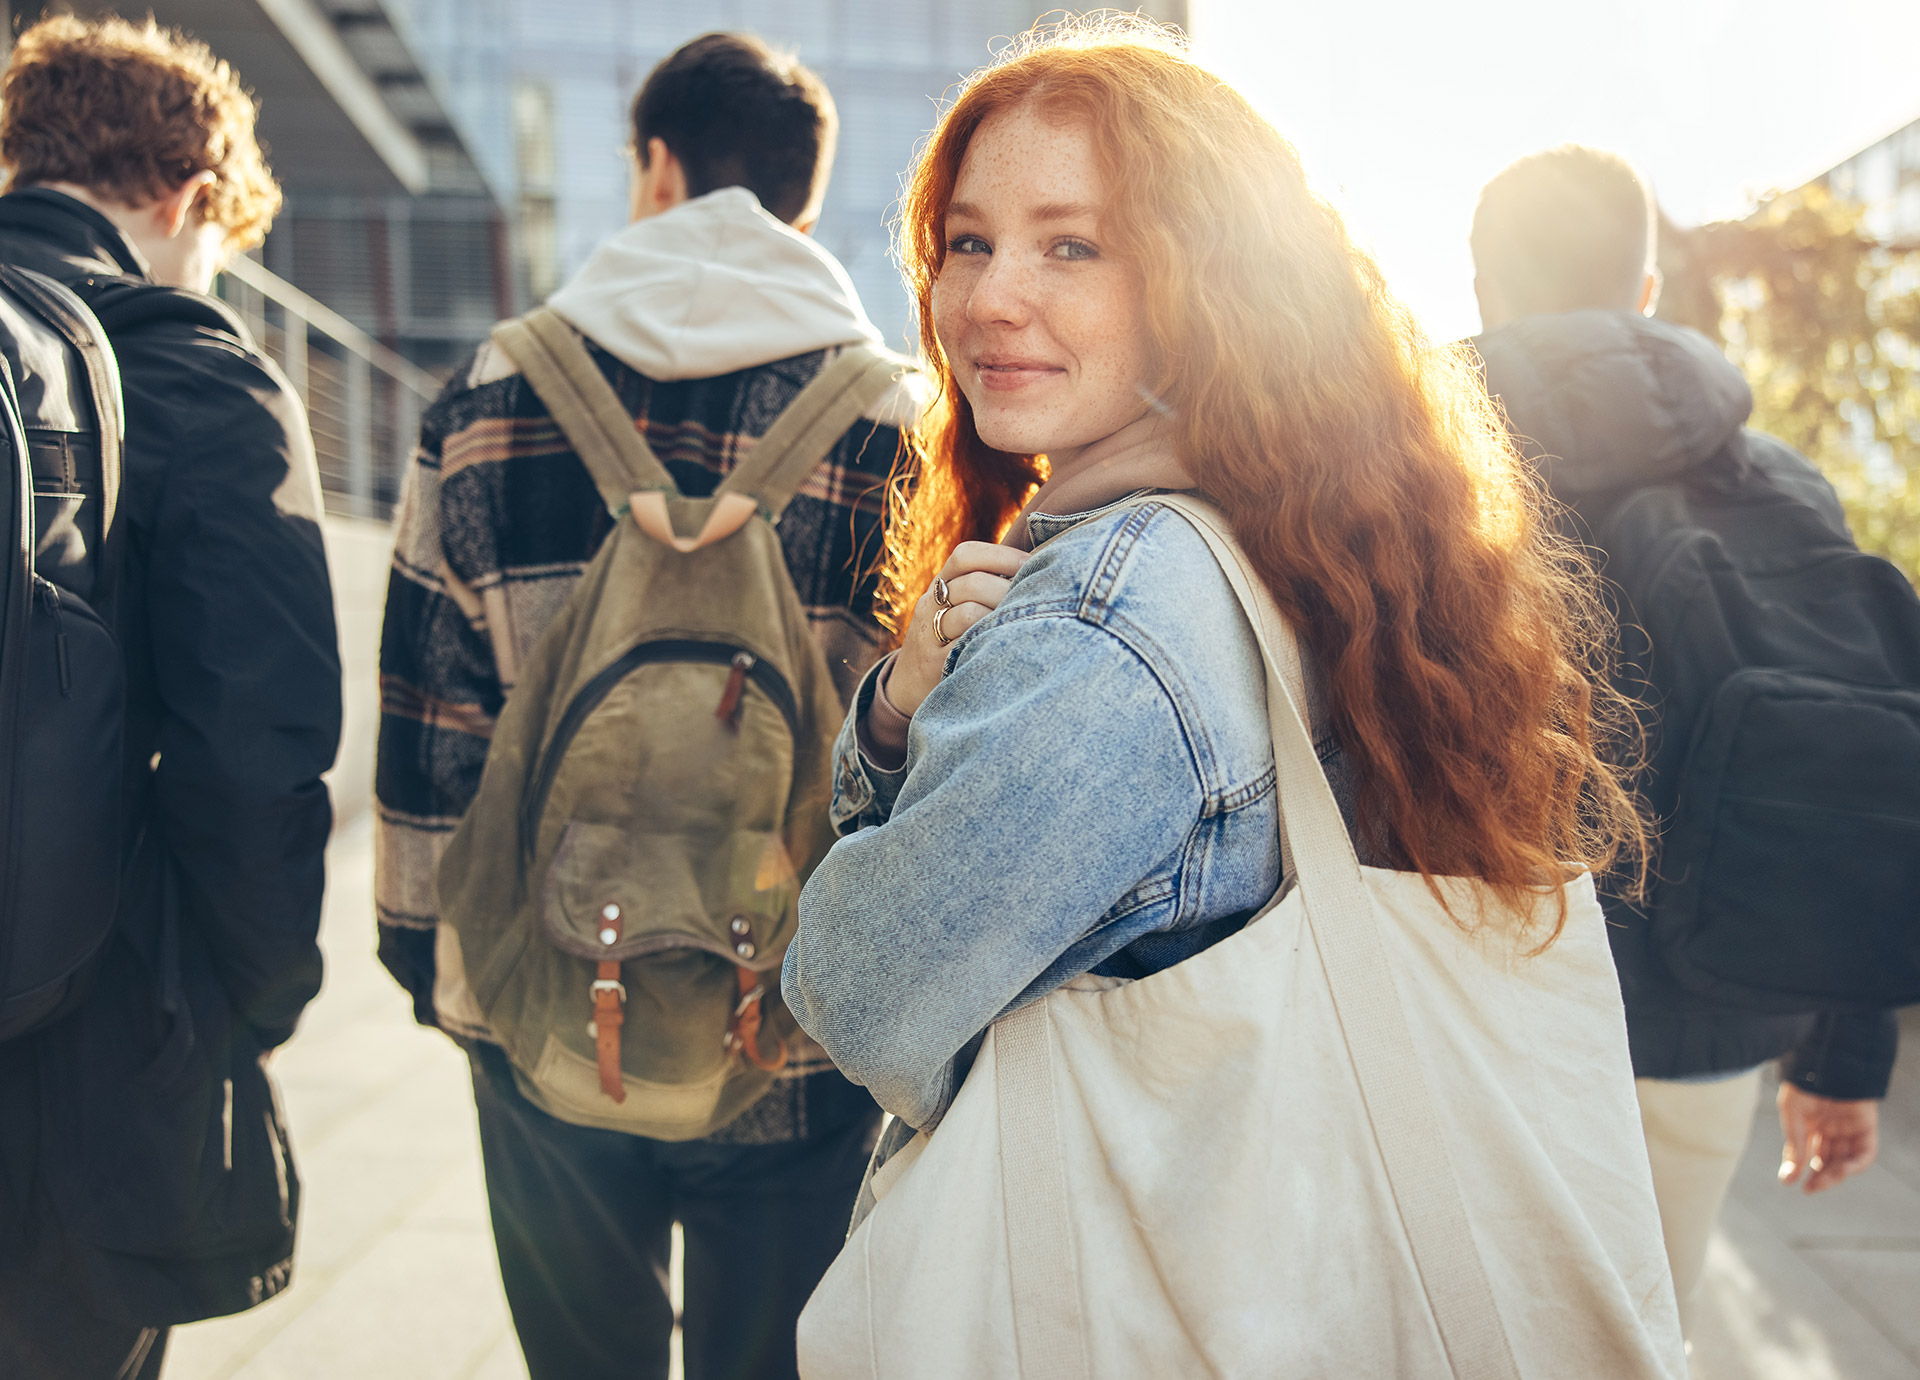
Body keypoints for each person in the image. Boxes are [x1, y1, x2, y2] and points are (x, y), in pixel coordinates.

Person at [783, 5, 1660, 1325]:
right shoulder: (1300, 533)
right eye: (968, 241)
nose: (988, 298)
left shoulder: (1110, 627)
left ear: (1212, 279)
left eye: (1071, 245)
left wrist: (892, 721)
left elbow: (858, 996)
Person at [374, 32, 915, 1380]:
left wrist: (432, 966)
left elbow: (426, 718)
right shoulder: (892, 416)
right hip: (789, 1022)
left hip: (551, 998)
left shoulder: (494, 392)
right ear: (798, 194)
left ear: (657, 168)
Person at [1468, 144, 1900, 1332]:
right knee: (1648, 1332)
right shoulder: (1779, 480)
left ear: (1484, 293)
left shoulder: (1423, 479)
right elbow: (1853, 754)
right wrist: (1838, 1051)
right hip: (1715, 1011)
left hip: (1477, 1010)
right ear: (1646, 293)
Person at [0, 16, 342, 1380]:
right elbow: (257, 754)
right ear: (193, 199)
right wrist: (252, 1001)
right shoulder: (191, 366)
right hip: (82, 1062)